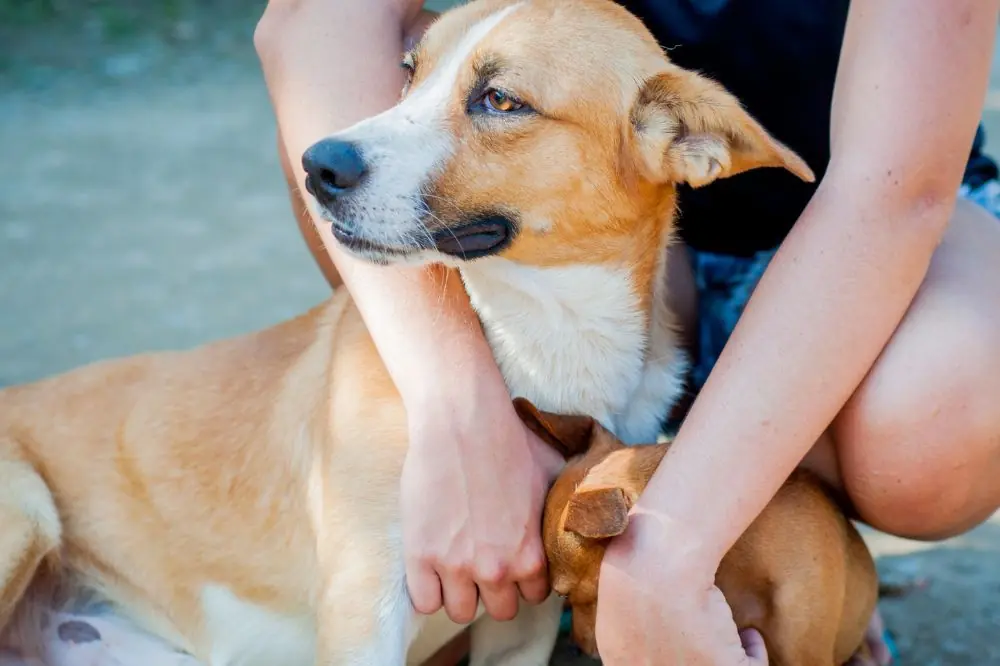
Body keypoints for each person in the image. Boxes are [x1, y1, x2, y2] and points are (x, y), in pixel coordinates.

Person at [254, 0, 1000, 664]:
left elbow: (890, 194)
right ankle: (534, 473)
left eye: (496, 100)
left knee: (931, 424)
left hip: (861, 218)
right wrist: (460, 412)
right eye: (414, 77)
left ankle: (788, 545)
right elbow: (315, 20)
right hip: (619, 236)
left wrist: (667, 556)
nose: (343, 151)